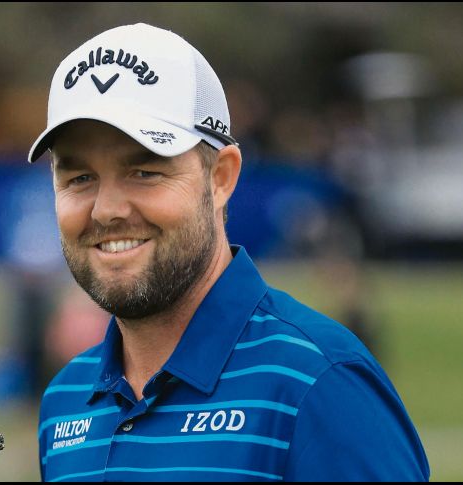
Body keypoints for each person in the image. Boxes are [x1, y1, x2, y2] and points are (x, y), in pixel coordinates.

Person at [28, 23, 429, 482]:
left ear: (221, 178)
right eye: (79, 178)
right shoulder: (64, 401)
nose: (107, 210)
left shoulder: (320, 384)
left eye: (144, 171)